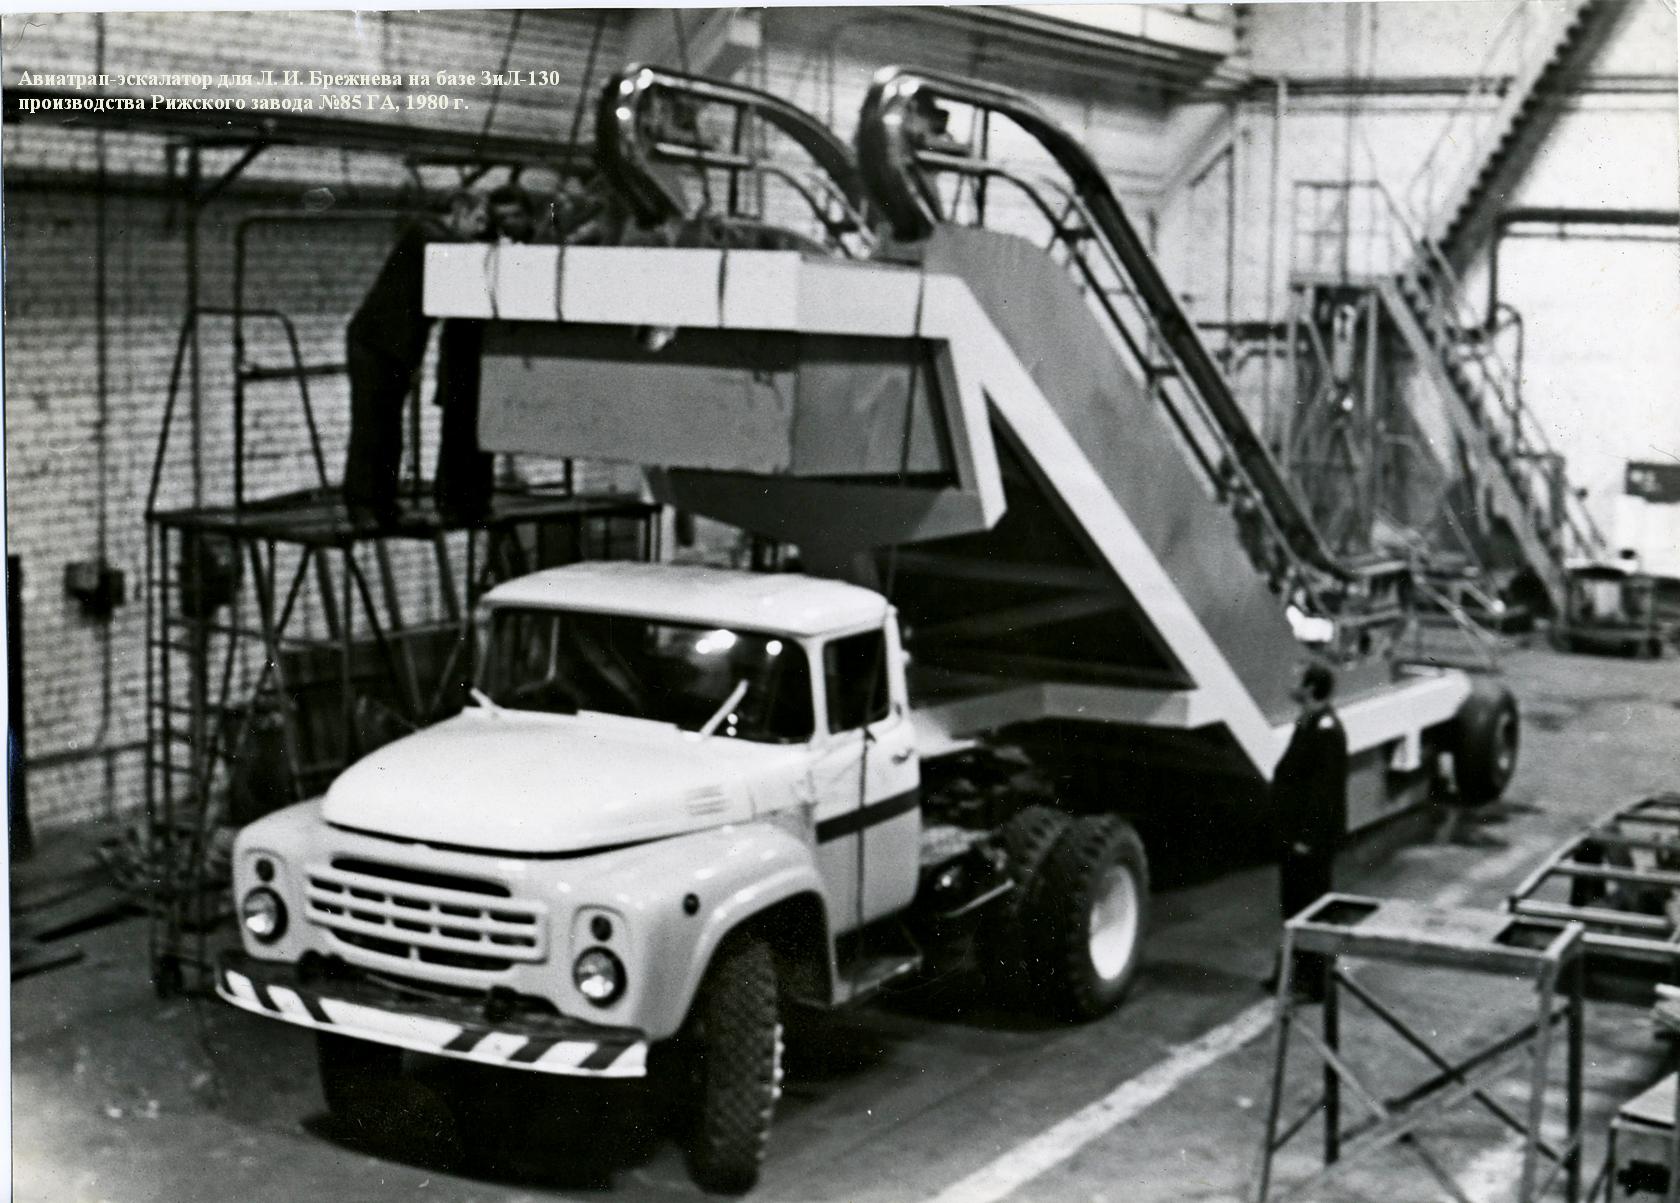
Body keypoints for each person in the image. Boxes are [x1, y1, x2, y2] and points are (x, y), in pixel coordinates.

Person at [342, 190, 485, 531]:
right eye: (478, 220)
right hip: (374, 343)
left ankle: (385, 505)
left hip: (397, 348)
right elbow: (448, 247)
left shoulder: (440, 240)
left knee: (390, 430)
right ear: (458, 210)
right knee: (371, 426)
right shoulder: (425, 232)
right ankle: (362, 505)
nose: (479, 230)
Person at [1270, 662, 1348, 1002]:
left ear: (1311, 688)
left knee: (1311, 906)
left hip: (1310, 839)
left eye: (1297, 678)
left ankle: (1315, 982)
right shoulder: (1308, 722)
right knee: (1292, 905)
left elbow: (1324, 792)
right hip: (1294, 834)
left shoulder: (1326, 730)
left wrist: (1308, 838)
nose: (1291, 682)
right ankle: (1292, 974)